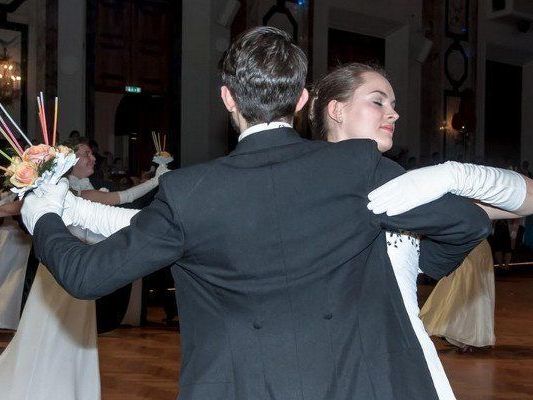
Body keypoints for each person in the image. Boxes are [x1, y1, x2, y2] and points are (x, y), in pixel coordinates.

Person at [22, 27, 491, 400]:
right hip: (352, 383)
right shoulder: (356, 165)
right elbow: (468, 222)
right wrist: (417, 268)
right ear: (303, 99)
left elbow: (85, 276)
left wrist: (41, 215)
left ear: (227, 98)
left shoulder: (188, 192)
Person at [308, 62, 530, 399]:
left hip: (400, 364)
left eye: (394, 105)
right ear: (337, 110)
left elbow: (526, 199)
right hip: (325, 368)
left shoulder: (406, 188)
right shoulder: (301, 184)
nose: (393, 114)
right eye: (378, 101)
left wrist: (452, 175)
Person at [0, 140, 167, 400]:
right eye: (84, 154)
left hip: (81, 275)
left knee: (75, 339)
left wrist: (158, 179)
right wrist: (157, 180)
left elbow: (124, 201)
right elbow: (123, 198)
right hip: (60, 276)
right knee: (51, 338)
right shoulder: (74, 194)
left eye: (91, 153)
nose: (92, 158)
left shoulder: (89, 190)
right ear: (67, 164)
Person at [420, 240, 495, 352]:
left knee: (469, 290)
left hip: (471, 246)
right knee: (464, 289)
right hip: (471, 246)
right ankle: (465, 334)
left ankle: (466, 336)